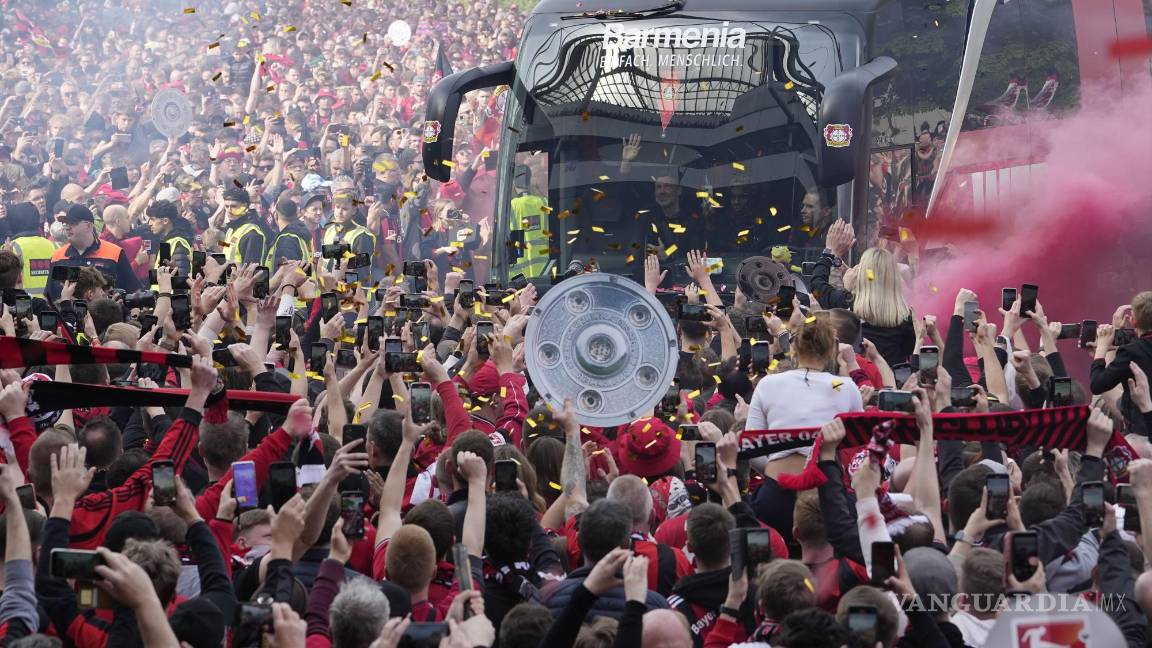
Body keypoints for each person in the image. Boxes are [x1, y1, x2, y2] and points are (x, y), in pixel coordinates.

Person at [47, 203, 141, 302]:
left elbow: (133, 290)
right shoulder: (57, 256)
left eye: (73, 223)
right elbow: (49, 296)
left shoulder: (114, 253)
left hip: (107, 316)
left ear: (89, 226)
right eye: (65, 223)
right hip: (68, 316)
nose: (67, 227)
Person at [5, 202, 54, 296]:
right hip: (51, 305)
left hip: (23, 305)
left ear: (13, 222)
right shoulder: (52, 245)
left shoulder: (9, 248)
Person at [145, 199, 193, 279]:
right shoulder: (167, 242)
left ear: (165, 221)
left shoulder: (177, 243)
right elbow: (161, 277)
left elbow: (181, 281)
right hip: (162, 291)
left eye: (153, 219)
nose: (149, 223)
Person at [222, 186, 268, 266]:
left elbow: (250, 270)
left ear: (245, 206)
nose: (229, 210)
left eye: (233, 206)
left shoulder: (252, 234)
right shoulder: (230, 229)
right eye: (226, 206)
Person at [266, 193, 313, 267]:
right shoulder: (300, 232)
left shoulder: (287, 240)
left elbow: (287, 273)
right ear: (296, 213)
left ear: (275, 215)